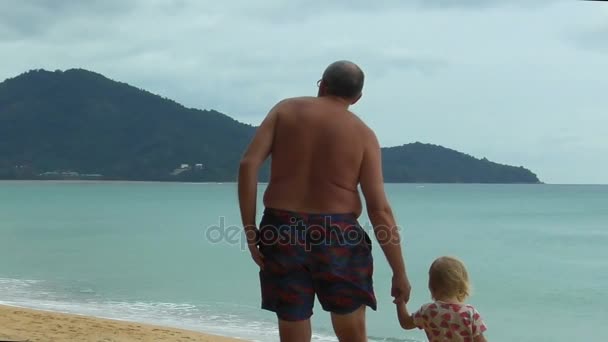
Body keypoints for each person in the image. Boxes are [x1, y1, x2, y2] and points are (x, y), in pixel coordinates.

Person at [238, 60, 411, 342]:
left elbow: (248, 165)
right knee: (351, 333)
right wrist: (399, 272)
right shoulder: (364, 135)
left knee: (293, 318)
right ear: (357, 98)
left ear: (322, 85)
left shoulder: (285, 110)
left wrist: (249, 229)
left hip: (281, 229)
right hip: (339, 235)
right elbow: (379, 210)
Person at [396, 256, 488, 342]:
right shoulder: (470, 313)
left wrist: (400, 302)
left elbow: (405, 323)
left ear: (431, 286)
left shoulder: (428, 311)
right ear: (462, 285)